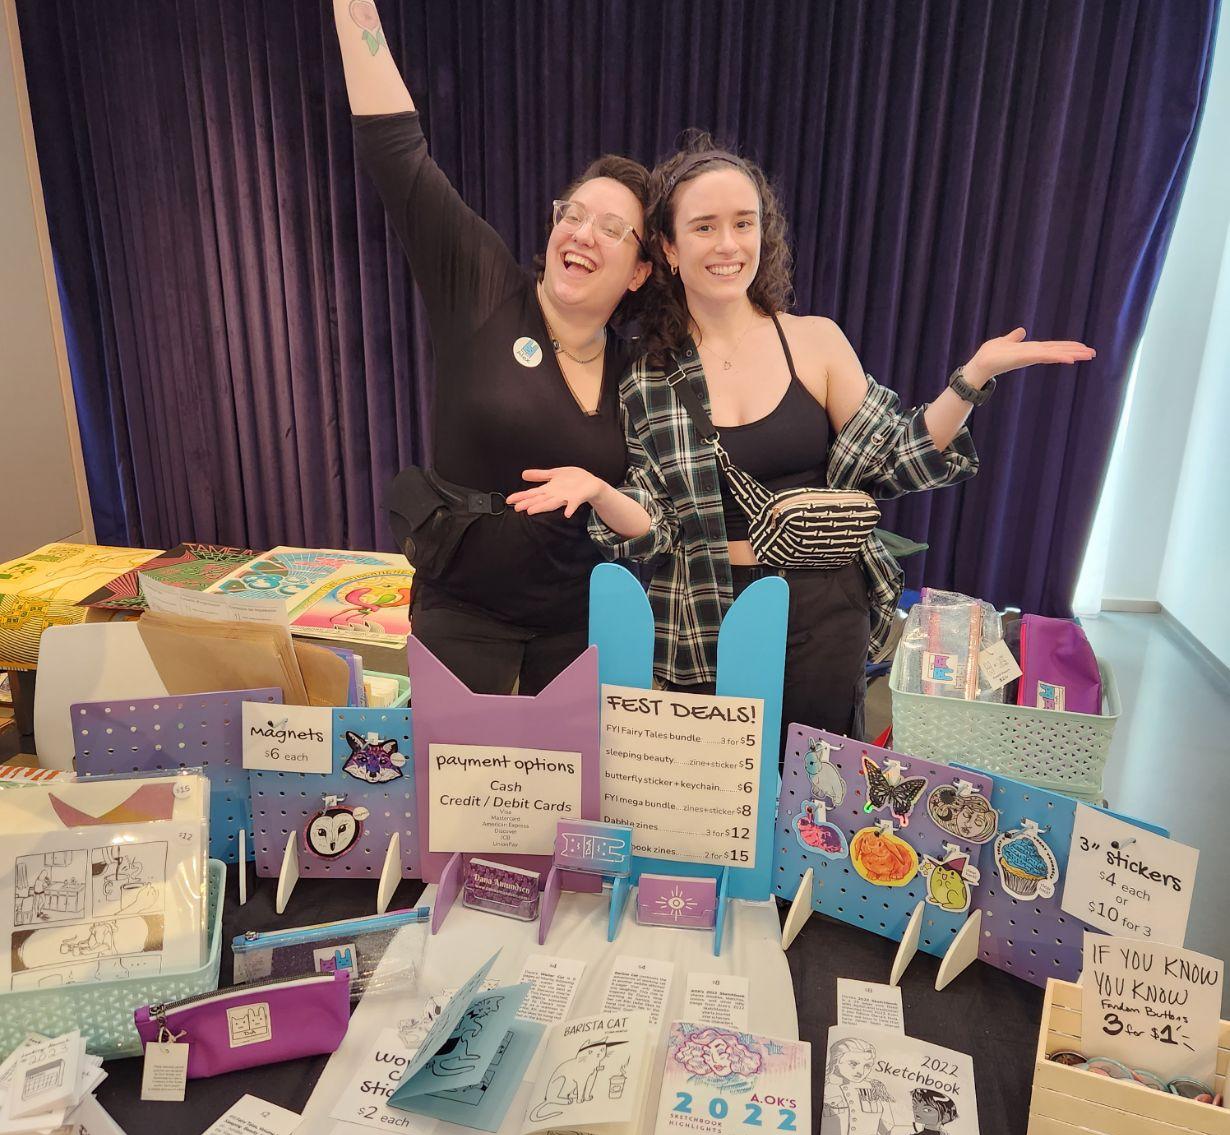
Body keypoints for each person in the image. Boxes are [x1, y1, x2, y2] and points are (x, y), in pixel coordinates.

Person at [509, 134, 1094, 736]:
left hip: (822, 611)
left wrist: (974, 377)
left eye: (744, 223)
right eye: (704, 227)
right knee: (715, 809)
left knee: (815, 798)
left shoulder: (814, 340)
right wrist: (601, 492)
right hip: (704, 617)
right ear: (669, 248)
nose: (728, 244)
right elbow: (652, 522)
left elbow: (894, 460)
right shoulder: (643, 373)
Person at [332, 0, 651, 694]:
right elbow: (397, 153)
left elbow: (656, 513)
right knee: (460, 798)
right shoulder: (484, 291)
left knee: (562, 801)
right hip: (461, 623)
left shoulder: (640, 374)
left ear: (641, 269)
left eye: (612, 227)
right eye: (573, 213)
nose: (582, 233)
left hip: (578, 633)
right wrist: (351, 11)